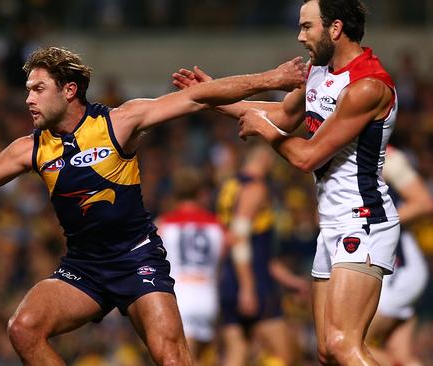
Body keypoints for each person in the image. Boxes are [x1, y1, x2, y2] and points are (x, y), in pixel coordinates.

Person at [0, 46, 305, 365]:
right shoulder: (30, 148)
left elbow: (198, 98)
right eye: (28, 89)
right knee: (23, 328)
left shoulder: (118, 122)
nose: (28, 99)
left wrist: (273, 78)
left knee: (171, 358)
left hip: (136, 258)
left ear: (69, 90)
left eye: (38, 89)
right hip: (84, 267)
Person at [174, 0, 399, 364]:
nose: (300, 36)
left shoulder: (367, 87)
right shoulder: (318, 73)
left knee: (343, 344)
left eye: (307, 27)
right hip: (332, 224)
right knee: (326, 351)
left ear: (335, 28)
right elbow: (279, 114)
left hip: (365, 219)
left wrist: (266, 133)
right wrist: (212, 96)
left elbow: (308, 156)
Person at [216, 144, 307, 366]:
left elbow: (260, 252)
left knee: (238, 351)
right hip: (253, 283)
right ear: (266, 160)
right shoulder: (256, 189)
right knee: (286, 355)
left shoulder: (229, 186)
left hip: (229, 280)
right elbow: (240, 238)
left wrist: (292, 281)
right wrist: (247, 287)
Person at [366, 146, 432, 366]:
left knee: (348, 344)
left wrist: (372, 223)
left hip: (398, 269)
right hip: (389, 270)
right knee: (402, 357)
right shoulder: (341, 148)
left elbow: (423, 202)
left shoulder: (386, 155)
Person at [157, 167, 226, 364]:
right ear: (201, 193)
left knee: (184, 359)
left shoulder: (163, 224)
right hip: (208, 296)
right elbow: (225, 257)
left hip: (180, 297)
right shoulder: (217, 225)